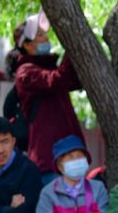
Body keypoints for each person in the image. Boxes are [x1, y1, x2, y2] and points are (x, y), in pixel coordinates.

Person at [9, 10, 85, 184]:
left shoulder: (48, 68)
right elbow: (58, 80)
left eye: (45, 34)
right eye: (39, 35)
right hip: (49, 162)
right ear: (26, 45)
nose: (46, 38)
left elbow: (71, 80)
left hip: (69, 156)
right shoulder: (25, 72)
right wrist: (73, 46)